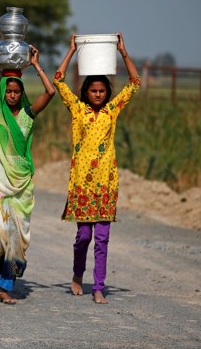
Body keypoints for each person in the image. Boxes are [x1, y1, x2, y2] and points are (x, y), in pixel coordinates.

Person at [54, 32, 140, 304]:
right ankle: (78, 274)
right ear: (86, 92)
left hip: (105, 183)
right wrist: (71, 51)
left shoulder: (112, 111)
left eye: (102, 91)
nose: (99, 94)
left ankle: (99, 286)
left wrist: (122, 52)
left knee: (102, 239)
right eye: (94, 90)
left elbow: (135, 83)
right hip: (82, 184)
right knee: (83, 236)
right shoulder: (77, 109)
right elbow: (58, 80)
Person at [0, 44, 56, 304]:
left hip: (21, 186)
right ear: (2, 92)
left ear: (21, 93)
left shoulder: (27, 115)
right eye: (8, 91)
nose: (11, 95)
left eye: (16, 91)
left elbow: (51, 91)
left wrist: (35, 65)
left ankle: (6, 287)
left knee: (15, 239)